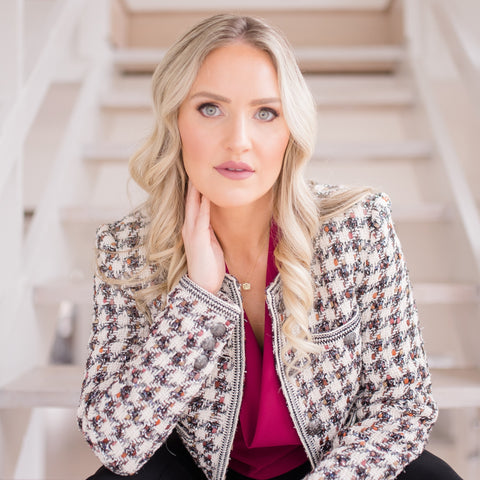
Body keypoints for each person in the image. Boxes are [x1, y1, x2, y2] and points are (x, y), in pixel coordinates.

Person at [77, 14, 462, 480]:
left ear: (290, 130)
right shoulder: (127, 250)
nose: (238, 141)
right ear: (175, 119)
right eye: (209, 108)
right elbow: (114, 441)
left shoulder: (357, 227)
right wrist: (197, 298)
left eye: (266, 113)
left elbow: (403, 405)